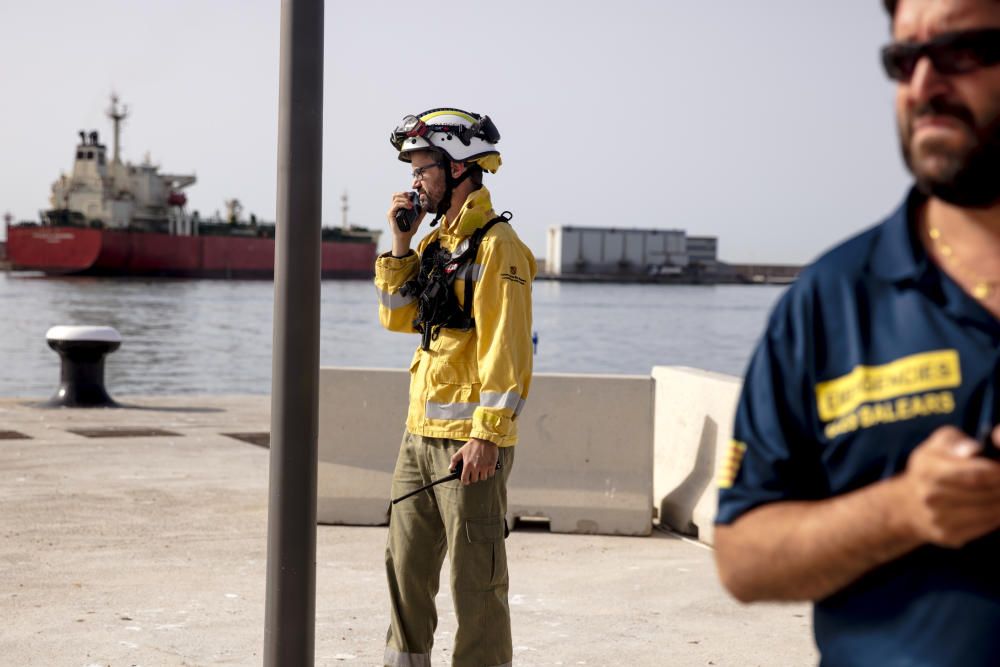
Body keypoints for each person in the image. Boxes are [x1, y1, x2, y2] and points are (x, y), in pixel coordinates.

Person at [713, 0, 1000, 664]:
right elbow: (743, 555)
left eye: (959, 51)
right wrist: (905, 508)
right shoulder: (828, 301)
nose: (924, 85)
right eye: (904, 59)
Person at [375, 108, 535, 667]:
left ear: (459, 167)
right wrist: (401, 245)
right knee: (404, 573)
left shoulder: (497, 247)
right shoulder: (438, 245)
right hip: (419, 437)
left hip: (469, 446)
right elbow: (397, 316)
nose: (415, 179)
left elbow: (508, 352)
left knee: (477, 587)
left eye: (424, 168)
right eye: (414, 168)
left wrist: (487, 436)